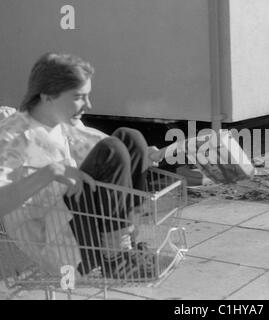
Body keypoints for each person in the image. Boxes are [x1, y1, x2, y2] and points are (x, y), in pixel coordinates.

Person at [0, 53, 164, 278]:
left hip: (80, 224)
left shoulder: (62, 123)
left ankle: (125, 245)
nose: (88, 104)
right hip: (58, 243)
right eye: (78, 97)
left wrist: (147, 153)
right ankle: (115, 256)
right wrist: (51, 172)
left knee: (131, 138)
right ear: (47, 96)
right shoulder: (13, 135)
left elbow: (108, 146)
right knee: (112, 150)